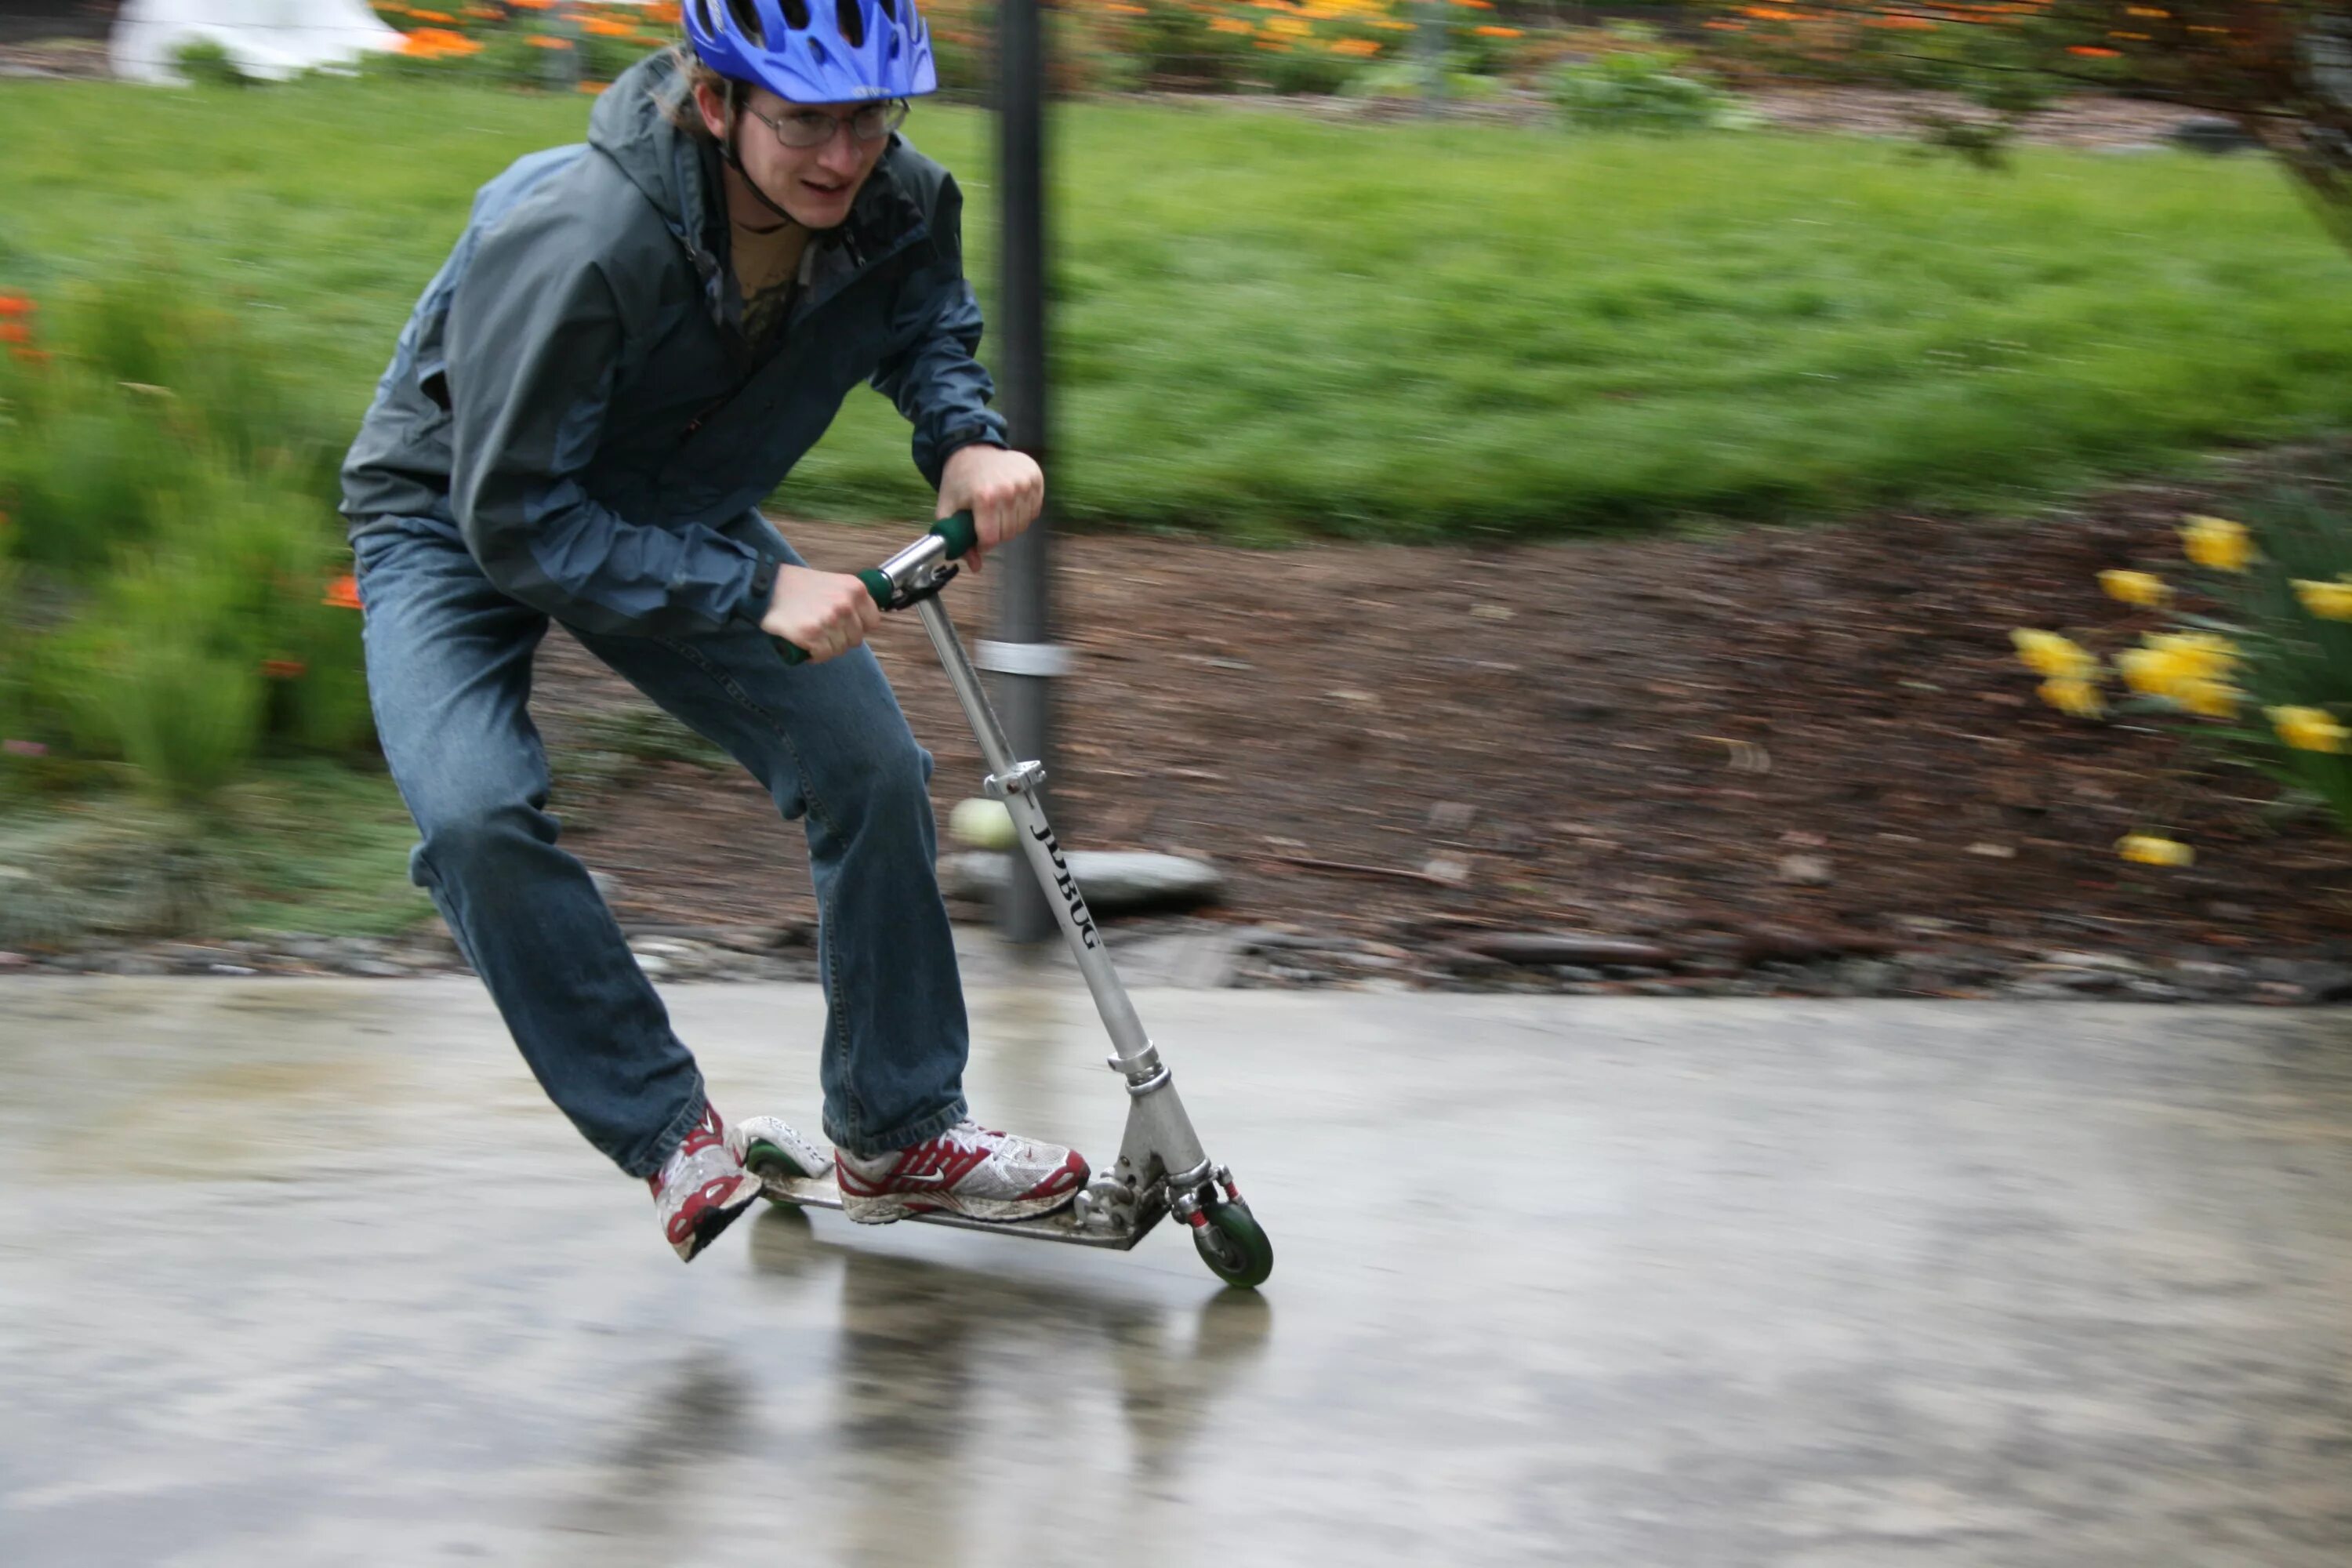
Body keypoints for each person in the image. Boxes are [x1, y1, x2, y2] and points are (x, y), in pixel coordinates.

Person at [338, 0, 1088, 1262]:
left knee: (868, 768)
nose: (843, 158)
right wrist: (750, 592)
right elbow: (519, 515)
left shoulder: (898, 200)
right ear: (716, 103)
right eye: (804, 122)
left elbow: (924, 325)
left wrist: (963, 431)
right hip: (459, 516)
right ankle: (663, 1127)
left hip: (671, 504)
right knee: (473, 814)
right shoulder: (581, 239)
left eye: (867, 118)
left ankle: (900, 1128)